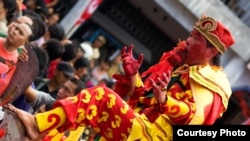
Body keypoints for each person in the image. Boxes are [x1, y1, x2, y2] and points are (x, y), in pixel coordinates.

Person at [5, 15, 235, 141]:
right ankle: (39, 129)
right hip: (139, 127)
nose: (187, 40)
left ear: (211, 52)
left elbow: (192, 118)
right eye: (192, 35)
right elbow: (141, 99)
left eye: (195, 39)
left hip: (151, 137)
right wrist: (134, 75)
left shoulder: (212, 84)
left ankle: (37, 125)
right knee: (68, 125)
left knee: (101, 97)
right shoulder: (181, 68)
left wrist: (165, 101)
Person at [0, 11, 46, 96]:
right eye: (17, 27)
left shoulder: (21, 60)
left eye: (21, 33)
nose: (15, 31)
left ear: (27, 41)